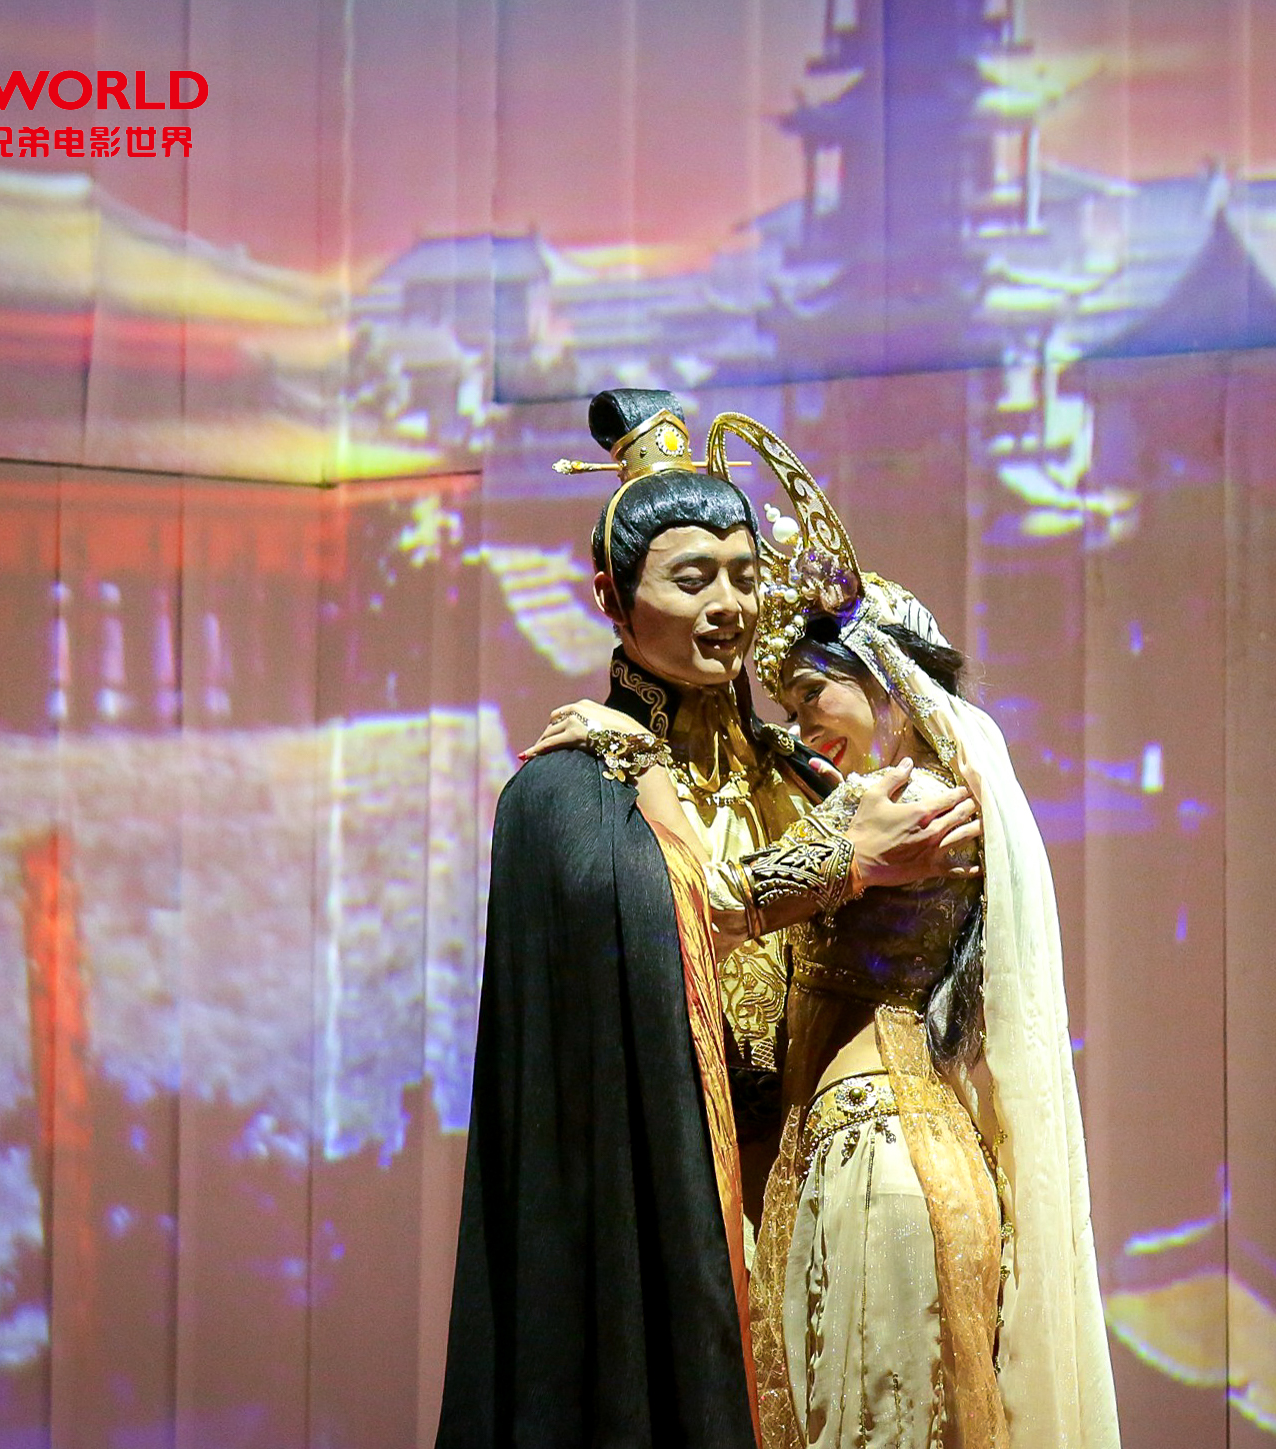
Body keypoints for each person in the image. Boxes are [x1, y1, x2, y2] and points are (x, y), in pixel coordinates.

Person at [436, 391, 978, 1449]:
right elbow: (641, 929)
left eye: (742, 573)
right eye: (691, 579)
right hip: (664, 1200)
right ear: (611, 595)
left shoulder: (799, 772)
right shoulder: (569, 790)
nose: (728, 604)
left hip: (822, 1203)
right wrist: (835, 865)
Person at [576, 414, 1120, 1449]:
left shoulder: (908, 805)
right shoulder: (897, 787)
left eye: (812, 693)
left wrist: (624, 747)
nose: (798, 725)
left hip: (876, 1153)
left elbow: (703, 904)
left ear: (884, 680)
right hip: (890, 1143)